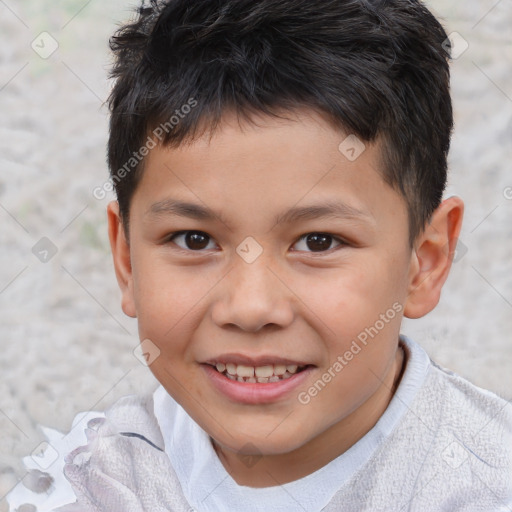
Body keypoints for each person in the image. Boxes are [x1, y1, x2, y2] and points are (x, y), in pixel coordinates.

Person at [7, 0, 512, 510]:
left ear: (424, 261)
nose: (250, 308)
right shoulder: (86, 484)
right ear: (128, 261)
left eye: (319, 241)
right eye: (194, 240)